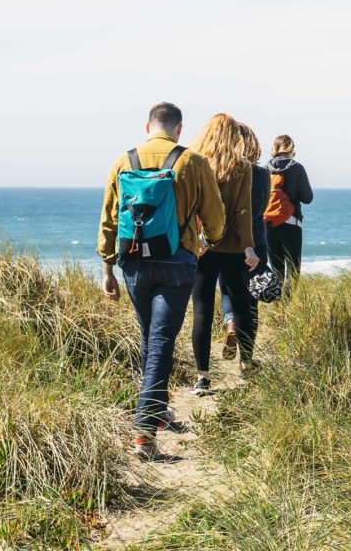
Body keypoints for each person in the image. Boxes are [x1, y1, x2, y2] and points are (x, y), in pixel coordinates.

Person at [98, 102, 226, 460]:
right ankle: (143, 430)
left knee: (151, 337)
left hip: (134, 263)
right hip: (177, 261)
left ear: (147, 126)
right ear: (179, 129)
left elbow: (109, 219)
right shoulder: (192, 161)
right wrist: (210, 241)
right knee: (160, 341)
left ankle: (158, 412)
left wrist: (108, 268)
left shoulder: (123, 162)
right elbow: (214, 217)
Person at [188, 113, 260, 395]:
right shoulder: (242, 166)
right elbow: (244, 210)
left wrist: (195, 239)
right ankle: (246, 363)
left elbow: (190, 205)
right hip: (232, 246)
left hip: (202, 247)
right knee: (243, 304)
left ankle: (202, 377)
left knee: (202, 310)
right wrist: (249, 245)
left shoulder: (194, 162)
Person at [220, 123, 269, 360]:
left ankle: (230, 324)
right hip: (257, 240)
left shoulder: (224, 171)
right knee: (251, 299)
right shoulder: (261, 174)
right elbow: (265, 205)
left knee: (228, 291)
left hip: (227, 241)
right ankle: (247, 359)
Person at [266, 134, 313, 287]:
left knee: (276, 270)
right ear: (291, 149)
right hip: (292, 224)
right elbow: (307, 198)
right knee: (293, 270)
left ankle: (278, 306)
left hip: (269, 223)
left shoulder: (265, 168)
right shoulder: (297, 168)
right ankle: (287, 307)